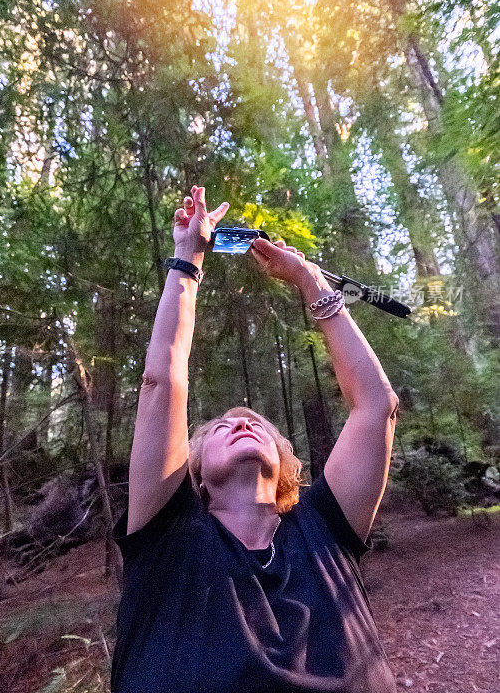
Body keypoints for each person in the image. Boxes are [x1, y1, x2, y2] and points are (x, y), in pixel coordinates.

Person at [111, 185, 400, 693]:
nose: (241, 423)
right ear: (193, 472)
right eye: (221, 427)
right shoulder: (168, 536)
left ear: (284, 461)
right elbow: (163, 382)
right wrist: (187, 258)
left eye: (256, 424)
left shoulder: (325, 525)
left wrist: (310, 281)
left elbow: (377, 406)